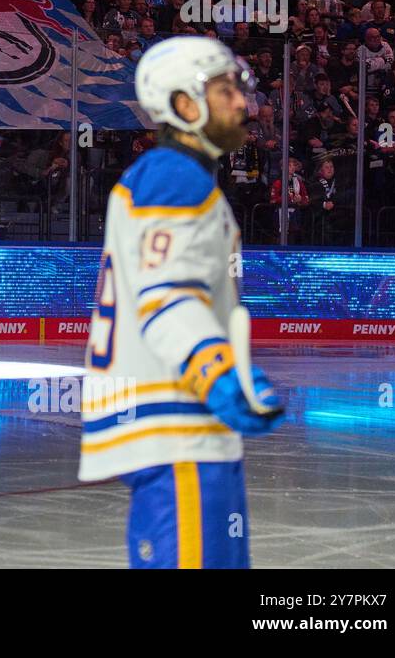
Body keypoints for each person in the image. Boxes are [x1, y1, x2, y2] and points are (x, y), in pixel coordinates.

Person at [79, 36, 284, 569]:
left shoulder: (173, 176)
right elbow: (167, 293)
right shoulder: (173, 176)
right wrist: (219, 372)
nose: (243, 103)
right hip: (177, 426)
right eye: (224, 90)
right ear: (184, 105)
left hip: (177, 425)